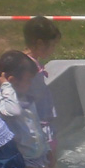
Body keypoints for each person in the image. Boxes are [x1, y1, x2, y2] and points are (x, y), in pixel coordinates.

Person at [0, 51, 54, 168]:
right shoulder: (2, 101)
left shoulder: (24, 96)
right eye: (28, 80)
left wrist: (47, 149)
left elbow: (35, 126)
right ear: (12, 80)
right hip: (26, 161)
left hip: (38, 154)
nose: (30, 84)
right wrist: (5, 86)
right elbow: (14, 111)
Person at [22, 15, 61, 157]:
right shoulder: (29, 67)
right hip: (39, 122)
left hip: (40, 121)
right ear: (39, 44)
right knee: (49, 158)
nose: (53, 49)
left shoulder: (26, 62)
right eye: (52, 45)